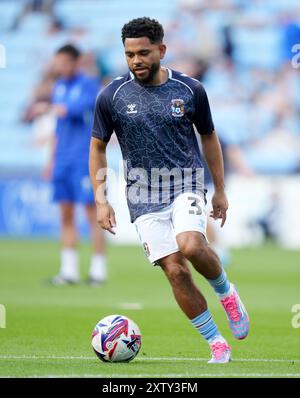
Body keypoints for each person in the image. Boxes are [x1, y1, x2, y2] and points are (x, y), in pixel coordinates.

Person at [89, 18, 249, 363]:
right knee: (175, 270)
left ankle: (226, 292)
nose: (136, 61)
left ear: (161, 50)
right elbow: (98, 147)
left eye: (143, 52)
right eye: (130, 54)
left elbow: (209, 136)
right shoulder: (112, 96)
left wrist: (219, 189)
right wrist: (101, 200)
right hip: (141, 194)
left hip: (185, 182)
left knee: (191, 245)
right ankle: (216, 342)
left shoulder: (190, 90)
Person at [39, 44, 107, 285]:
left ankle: (98, 270)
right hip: (63, 160)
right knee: (65, 214)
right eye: (57, 62)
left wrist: (54, 108)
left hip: (84, 160)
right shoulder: (59, 87)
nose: (60, 67)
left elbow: (79, 109)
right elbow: (57, 130)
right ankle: (69, 271)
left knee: (93, 213)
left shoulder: (89, 84)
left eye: (64, 62)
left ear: (76, 62)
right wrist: (51, 160)